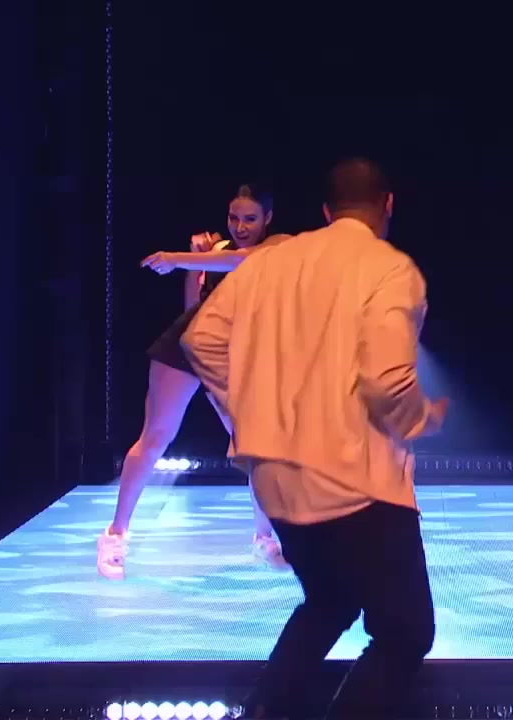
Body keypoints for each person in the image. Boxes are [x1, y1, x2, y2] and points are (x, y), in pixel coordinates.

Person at [183, 158, 448, 719]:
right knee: (404, 633)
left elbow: (200, 339)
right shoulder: (389, 268)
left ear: (326, 211)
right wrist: (421, 417)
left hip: (276, 479)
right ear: (388, 205)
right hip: (358, 483)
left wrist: (250, 409)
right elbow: (386, 379)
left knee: (330, 599)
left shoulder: (267, 262)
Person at [97, 184, 291, 580]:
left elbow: (242, 262)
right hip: (189, 344)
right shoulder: (215, 252)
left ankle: (263, 539)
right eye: (234, 217)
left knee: (256, 446)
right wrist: (194, 265)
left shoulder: (277, 247)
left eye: (250, 218)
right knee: (155, 437)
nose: (240, 226)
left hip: (233, 354)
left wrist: (175, 258)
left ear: (267, 219)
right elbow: (193, 308)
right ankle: (115, 536)